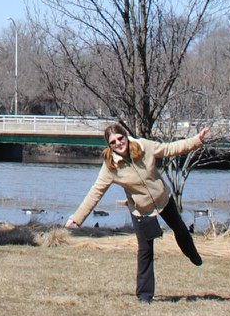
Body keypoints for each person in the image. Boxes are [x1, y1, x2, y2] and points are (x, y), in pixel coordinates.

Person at [65, 120, 209, 303]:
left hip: (163, 199)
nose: (118, 143)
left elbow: (169, 149)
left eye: (120, 138)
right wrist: (77, 218)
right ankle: (144, 295)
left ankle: (193, 255)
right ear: (109, 145)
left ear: (125, 136)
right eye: (113, 142)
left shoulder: (143, 147)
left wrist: (196, 140)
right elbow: (96, 192)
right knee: (145, 250)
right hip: (141, 210)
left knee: (180, 229)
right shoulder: (110, 166)